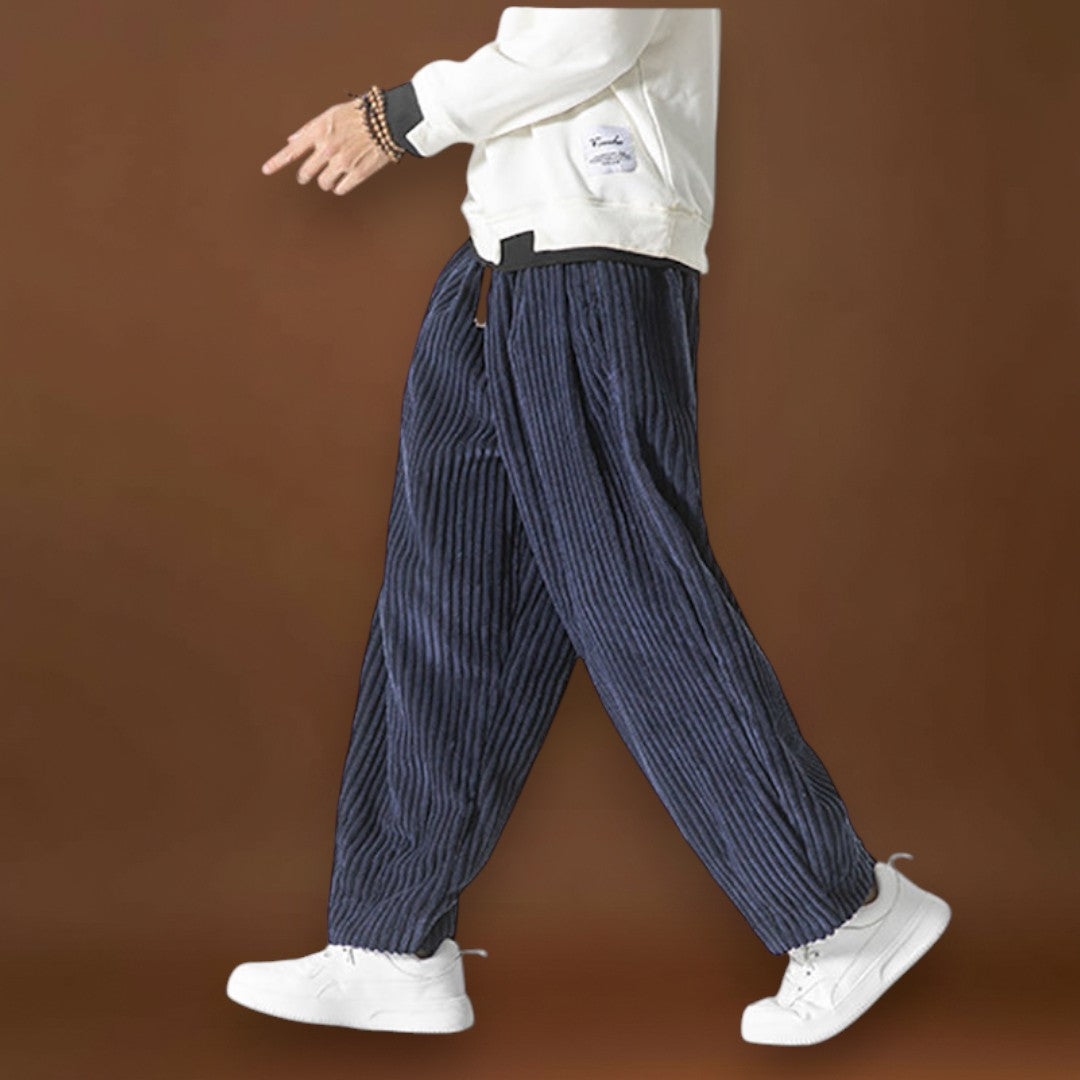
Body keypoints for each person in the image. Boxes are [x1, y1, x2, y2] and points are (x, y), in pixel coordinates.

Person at [227, 6, 950, 1045]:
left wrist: (400, 116)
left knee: (632, 594)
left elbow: (593, 34)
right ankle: (391, 946)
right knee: (446, 602)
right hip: (500, 264)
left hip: (592, 259)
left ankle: (847, 917)